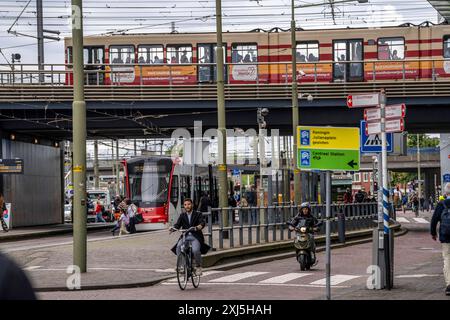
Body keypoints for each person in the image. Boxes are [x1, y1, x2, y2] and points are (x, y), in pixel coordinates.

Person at [170, 198, 211, 276]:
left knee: (195, 250)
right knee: (178, 247)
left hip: (195, 237)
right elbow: (178, 225)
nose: (187, 206)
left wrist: (199, 227)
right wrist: (173, 228)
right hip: (185, 236)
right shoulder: (182, 215)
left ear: (192, 205)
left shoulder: (198, 214)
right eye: (185, 205)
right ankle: (181, 266)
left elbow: (202, 222)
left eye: (188, 204)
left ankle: (198, 267)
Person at [430, 182, 450, 296]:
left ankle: (449, 284)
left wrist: (433, 233)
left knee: (447, 259)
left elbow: (434, 220)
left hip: (446, 236)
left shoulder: (441, 204)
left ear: (445, 193)